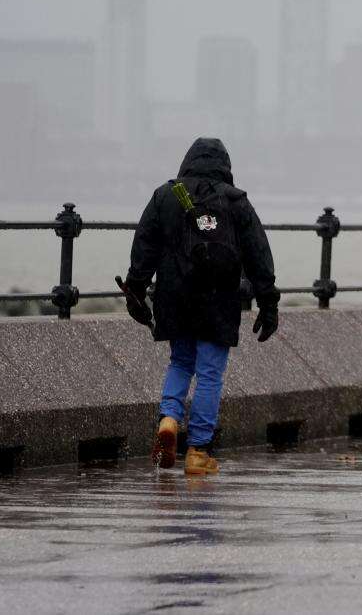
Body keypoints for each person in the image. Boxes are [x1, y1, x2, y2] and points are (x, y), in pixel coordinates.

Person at [124, 137, 279, 475]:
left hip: (174, 295)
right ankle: (198, 452)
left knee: (181, 362)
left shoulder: (165, 197)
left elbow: (144, 245)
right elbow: (258, 254)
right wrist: (268, 301)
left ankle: (168, 419)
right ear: (225, 165)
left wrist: (135, 287)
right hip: (219, 298)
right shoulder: (236, 201)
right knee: (209, 373)